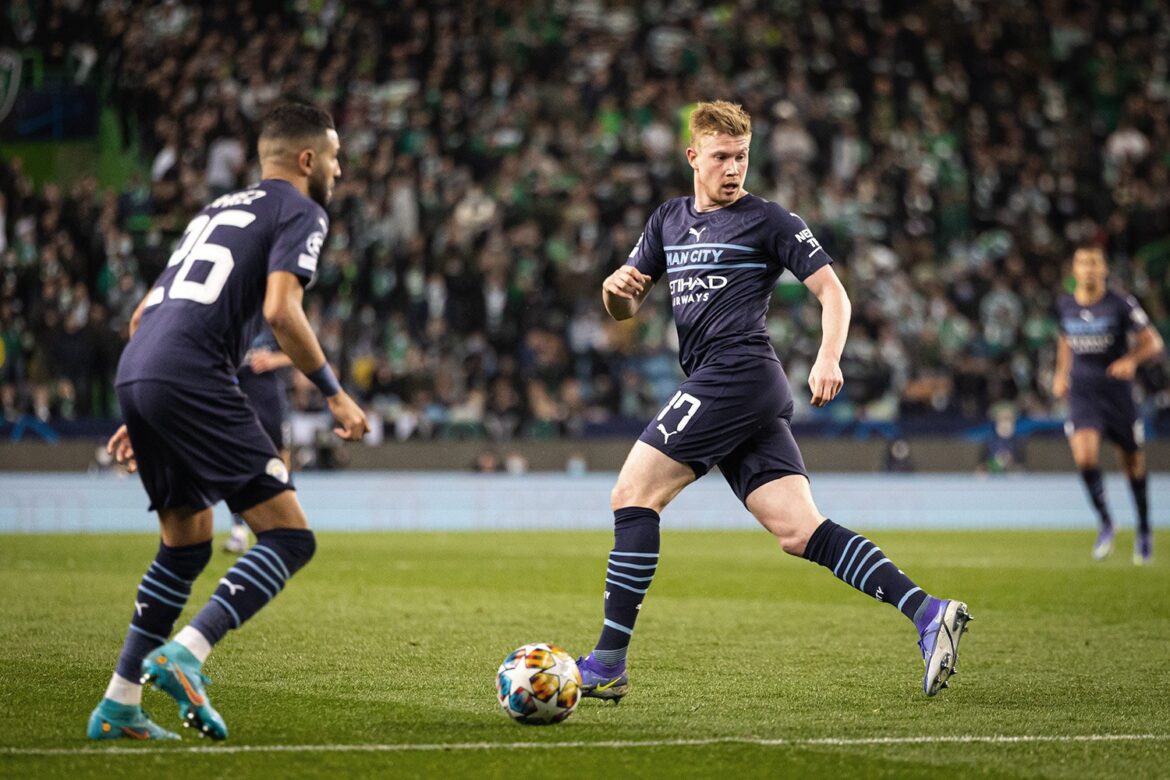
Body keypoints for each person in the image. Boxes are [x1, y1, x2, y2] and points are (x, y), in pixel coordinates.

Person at [575, 101, 970, 702]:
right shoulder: (667, 220)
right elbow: (625, 307)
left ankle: (607, 662)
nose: (733, 169)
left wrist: (829, 356)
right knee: (799, 530)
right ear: (693, 157)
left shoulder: (769, 220)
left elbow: (833, 293)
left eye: (741, 157)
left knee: (633, 494)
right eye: (721, 157)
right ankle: (927, 611)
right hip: (734, 388)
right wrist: (613, 291)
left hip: (735, 374)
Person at [87, 104, 369, 742]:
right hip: (188, 373)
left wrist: (149, 406)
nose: (338, 170)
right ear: (306, 160)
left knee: (186, 543)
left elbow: (142, 317)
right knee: (290, 538)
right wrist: (335, 394)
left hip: (144, 369)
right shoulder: (302, 210)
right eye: (333, 158)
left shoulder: (215, 209)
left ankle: (119, 705)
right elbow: (281, 310)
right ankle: (188, 652)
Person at [1052, 245, 1163, 564]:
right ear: (1074, 270)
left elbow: (1153, 342)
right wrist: (1060, 374)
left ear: (1104, 269)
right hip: (1083, 393)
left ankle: (1144, 528)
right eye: (1083, 263)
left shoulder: (1120, 304)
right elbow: (1065, 340)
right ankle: (1106, 522)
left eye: (1094, 263)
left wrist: (1131, 360)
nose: (1089, 269)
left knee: (1132, 463)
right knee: (1085, 458)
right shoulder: (1065, 305)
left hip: (1117, 394)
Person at [225, 329, 294, 554]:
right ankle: (239, 531)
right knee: (236, 462)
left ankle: (287, 525)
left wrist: (274, 359)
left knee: (281, 459)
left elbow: (300, 350)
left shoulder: (274, 318)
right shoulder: (229, 319)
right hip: (239, 401)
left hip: (272, 401)